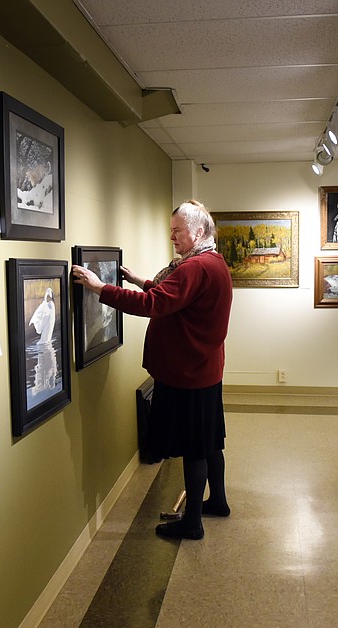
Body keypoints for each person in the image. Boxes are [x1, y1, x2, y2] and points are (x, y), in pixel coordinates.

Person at [72, 200, 233, 540]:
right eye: (171, 230)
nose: (172, 237)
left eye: (178, 231)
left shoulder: (194, 267)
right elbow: (175, 297)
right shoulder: (213, 262)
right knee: (209, 441)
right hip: (206, 369)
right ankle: (217, 501)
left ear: (198, 231)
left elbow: (155, 304)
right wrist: (138, 280)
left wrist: (100, 288)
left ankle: (192, 522)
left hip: (190, 374)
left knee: (194, 447)